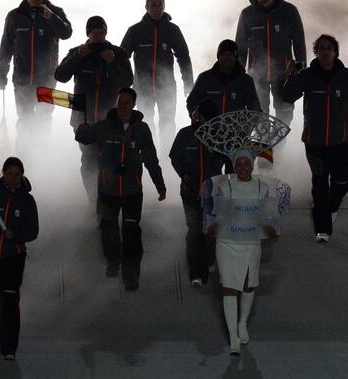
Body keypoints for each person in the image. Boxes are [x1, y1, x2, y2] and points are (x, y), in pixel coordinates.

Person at [281, 34, 348, 243]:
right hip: (314, 142)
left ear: (335, 52)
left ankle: (330, 207)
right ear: (316, 52)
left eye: (328, 48)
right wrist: (291, 76)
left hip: (339, 142)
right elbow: (288, 96)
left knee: (342, 183)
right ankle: (323, 230)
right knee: (320, 184)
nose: (325, 51)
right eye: (320, 48)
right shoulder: (308, 75)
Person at [75, 87, 166, 291]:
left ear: (133, 105)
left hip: (133, 190)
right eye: (120, 101)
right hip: (107, 189)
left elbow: (151, 158)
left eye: (127, 102)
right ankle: (113, 261)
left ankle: (131, 275)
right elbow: (85, 138)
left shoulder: (141, 129)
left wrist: (160, 184)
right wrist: (81, 130)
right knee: (108, 228)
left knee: (131, 231)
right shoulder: (104, 126)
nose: (122, 106)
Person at [203, 148, 279, 354]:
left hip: (251, 242)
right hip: (227, 242)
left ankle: (242, 322)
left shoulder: (262, 188)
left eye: (247, 164)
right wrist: (213, 226)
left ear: (253, 165)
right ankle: (233, 339)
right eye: (239, 164)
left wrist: (269, 228)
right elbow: (220, 215)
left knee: (248, 286)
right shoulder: (226, 188)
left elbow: (262, 216)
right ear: (234, 167)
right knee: (229, 287)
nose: (243, 168)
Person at [55, 16, 133, 204]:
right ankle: (94, 201)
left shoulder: (119, 54)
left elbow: (128, 82)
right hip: (83, 120)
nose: (98, 36)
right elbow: (60, 75)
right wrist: (77, 57)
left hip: (111, 121)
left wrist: (111, 63)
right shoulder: (77, 52)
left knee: (110, 161)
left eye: (101, 32)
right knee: (89, 162)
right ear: (88, 34)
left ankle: (109, 200)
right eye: (94, 33)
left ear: (106, 32)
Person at [0, 157, 39, 360]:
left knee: (11, 300)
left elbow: (33, 231)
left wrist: (16, 236)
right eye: (10, 173)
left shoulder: (27, 201)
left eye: (17, 174)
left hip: (13, 257)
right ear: (3, 173)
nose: (13, 178)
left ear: (22, 176)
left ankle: (9, 347)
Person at [169, 99, 227, 288]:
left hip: (213, 192)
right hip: (189, 191)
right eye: (194, 113)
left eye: (199, 114)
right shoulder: (185, 134)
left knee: (210, 229)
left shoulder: (219, 135)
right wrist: (184, 174)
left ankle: (209, 260)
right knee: (194, 230)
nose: (195, 116)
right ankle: (197, 272)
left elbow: (230, 159)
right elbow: (174, 156)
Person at [120, 0, 193, 152]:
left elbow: (184, 56)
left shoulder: (172, 30)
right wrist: (125, 85)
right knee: (144, 123)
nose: (156, 8)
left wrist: (188, 82)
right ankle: (148, 157)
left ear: (164, 6)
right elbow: (121, 57)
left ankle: (167, 159)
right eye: (153, 5)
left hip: (166, 88)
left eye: (160, 5)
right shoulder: (135, 30)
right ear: (146, 7)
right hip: (142, 89)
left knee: (167, 124)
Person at [0, 0, 72, 139]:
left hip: (48, 80)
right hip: (22, 80)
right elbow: (6, 47)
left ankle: (42, 156)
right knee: (24, 120)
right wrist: (1, 74)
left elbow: (67, 33)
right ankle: (23, 155)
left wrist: (51, 17)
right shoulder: (14, 16)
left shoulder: (56, 12)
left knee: (44, 119)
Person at [235, 0, 305, 127]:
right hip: (257, 74)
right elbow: (241, 46)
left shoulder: (289, 11)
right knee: (258, 114)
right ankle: (263, 143)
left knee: (284, 112)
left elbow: (299, 40)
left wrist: (301, 67)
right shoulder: (247, 14)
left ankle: (279, 144)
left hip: (284, 72)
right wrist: (238, 74)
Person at [187, 40, 261, 115]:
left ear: (235, 57)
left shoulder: (246, 81)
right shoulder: (204, 78)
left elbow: (255, 111)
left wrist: (247, 125)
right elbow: (191, 102)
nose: (227, 58)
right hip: (210, 126)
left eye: (230, 54)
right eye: (223, 54)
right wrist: (197, 119)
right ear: (218, 57)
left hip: (236, 126)